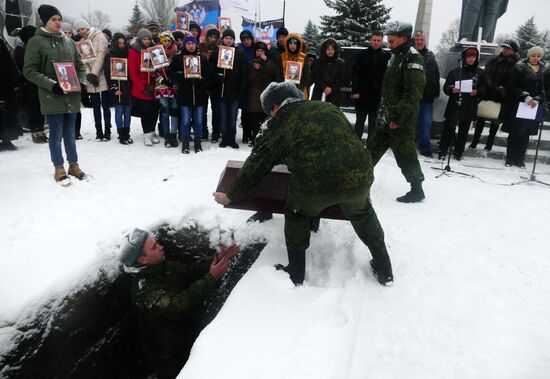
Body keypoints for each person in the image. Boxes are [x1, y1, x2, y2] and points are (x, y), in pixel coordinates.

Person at [213, 81, 394, 287]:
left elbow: (257, 165)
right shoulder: (327, 107)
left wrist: (231, 195)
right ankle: (384, 268)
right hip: (360, 175)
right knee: (363, 214)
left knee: (297, 212)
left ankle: (295, 273)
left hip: (315, 184)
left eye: (269, 112)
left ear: (275, 107)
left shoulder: (279, 122)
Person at [118, 228, 240, 379]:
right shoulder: (146, 293)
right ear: (142, 260)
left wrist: (218, 256)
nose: (161, 246)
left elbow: (190, 271)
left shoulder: (160, 267)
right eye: (155, 247)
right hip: (168, 355)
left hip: (184, 335)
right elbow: (181, 304)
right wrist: (212, 277)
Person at [23, 4, 87, 185]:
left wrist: (81, 82)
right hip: (53, 97)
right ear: (45, 21)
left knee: (70, 135)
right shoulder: (36, 42)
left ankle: (73, 165)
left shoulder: (69, 42)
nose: (58, 23)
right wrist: (52, 85)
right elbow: (29, 70)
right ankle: (59, 168)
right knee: (56, 135)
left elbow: (80, 66)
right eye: (54, 19)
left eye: (59, 19)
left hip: (71, 97)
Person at [366, 21, 426, 203]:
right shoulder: (395, 57)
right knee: (369, 153)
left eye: (392, 41)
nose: (388, 44)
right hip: (386, 119)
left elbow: (412, 94)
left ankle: (417, 190)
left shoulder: (412, 59)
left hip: (400, 122)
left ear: (403, 39)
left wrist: (398, 117)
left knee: (406, 155)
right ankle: (355, 183)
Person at [502, 46, 550, 167]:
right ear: (529, 56)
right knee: (514, 133)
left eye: (538, 56)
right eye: (533, 56)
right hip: (519, 104)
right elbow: (511, 86)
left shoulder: (544, 70)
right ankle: (510, 158)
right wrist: (525, 96)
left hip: (533, 106)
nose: (536, 58)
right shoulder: (518, 68)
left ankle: (519, 159)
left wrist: (539, 99)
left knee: (525, 134)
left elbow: (547, 89)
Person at [470, 39, 520, 151]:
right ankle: (475, 141)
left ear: (514, 51)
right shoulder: (493, 61)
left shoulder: (517, 65)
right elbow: (484, 75)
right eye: (504, 48)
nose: (505, 50)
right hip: (487, 94)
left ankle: (489, 143)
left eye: (509, 48)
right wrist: (487, 85)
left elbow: (514, 82)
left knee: (495, 122)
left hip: (501, 97)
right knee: (481, 118)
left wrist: (502, 89)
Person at [438, 47, 482, 161]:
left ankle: (459, 153)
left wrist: (478, 91)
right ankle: (442, 151)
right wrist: (452, 89)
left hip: (469, 105)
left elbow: (486, 88)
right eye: (468, 57)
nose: (471, 59)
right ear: (464, 58)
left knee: (464, 130)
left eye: (473, 57)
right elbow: (446, 87)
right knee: (449, 129)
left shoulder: (480, 73)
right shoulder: (455, 72)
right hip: (455, 105)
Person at [170, 35, 210, 153]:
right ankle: (185, 142)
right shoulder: (178, 58)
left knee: (198, 120)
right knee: (186, 120)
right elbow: (171, 72)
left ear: (196, 44)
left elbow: (209, 74)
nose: (191, 46)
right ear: (184, 45)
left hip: (199, 95)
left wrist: (201, 80)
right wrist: (182, 75)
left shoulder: (202, 58)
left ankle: (197, 142)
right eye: (188, 44)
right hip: (185, 94)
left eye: (192, 43)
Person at [74, 18, 112, 141]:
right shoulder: (81, 42)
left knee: (105, 105)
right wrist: (89, 75)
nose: (81, 31)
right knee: (95, 106)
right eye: (78, 30)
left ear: (87, 27)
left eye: (83, 28)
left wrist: (94, 73)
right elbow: (83, 61)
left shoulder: (99, 37)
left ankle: (107, 131)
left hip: (101, 75)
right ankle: (98, 131)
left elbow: (101, 55)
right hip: (91, 76)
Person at [209, 28, 248, 149]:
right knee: (223, 115)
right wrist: (217, 77)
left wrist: (241, 89)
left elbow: (244, 74)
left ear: (234, 40)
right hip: (221, 90)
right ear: (223, 39)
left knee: (232, 116)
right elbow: (211, 70)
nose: (228, 40)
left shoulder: (240, 54)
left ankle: (232, 138)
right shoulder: (217, 52)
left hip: (234, 91)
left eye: (231, 38)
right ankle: (225, 138)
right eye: (226, 38)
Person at [351, 31, 391, 140]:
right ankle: (356, 144)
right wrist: (355, 91)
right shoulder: (362, 55)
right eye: (374, 40)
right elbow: (355, 74)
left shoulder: (387, 56)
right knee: (360, 121)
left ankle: (370, 147)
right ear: (370, 40)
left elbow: (388, 77)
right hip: (362, 94)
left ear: (382, 41)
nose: (376, 43)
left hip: (377, 95)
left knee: (373, 124)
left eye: (378, 40)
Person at [14, 25, 47, 145]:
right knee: (33, 108)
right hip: (28, 83)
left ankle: (41, 131)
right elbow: (22, 65)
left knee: (40, 107)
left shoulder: (34, 46)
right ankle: (35, 131)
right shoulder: (21, 49)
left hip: (37, 81)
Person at [128, 28, 160, 146]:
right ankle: (146, 133)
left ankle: (152, 131)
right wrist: (143, 88)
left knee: (154, 111)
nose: (146, 41)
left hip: (153, 86)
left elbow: (158, 68)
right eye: (144, 39)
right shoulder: (134, 52)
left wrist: (154, 84)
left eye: (148, 39)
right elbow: (133, 73)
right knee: (145, 111)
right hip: (141, 88)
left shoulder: (154, 50)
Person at [246, 41, 281, 146]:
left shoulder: (270, 63)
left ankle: (264, 138)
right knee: (254, 119)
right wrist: (255, 69)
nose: (260, 53)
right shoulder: (250, 63)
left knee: (265, 119)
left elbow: (275, 75)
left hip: (267, 95)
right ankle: (254, 137)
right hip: (254, 96)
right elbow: (249, 79)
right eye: (257, 51)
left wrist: (265, 63)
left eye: (262, 51)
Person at [414, 31, 440, 157]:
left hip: (427, 97)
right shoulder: (409, 54)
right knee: (410, 123)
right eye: (417, 39)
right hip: (412, 96)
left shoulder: (430, 55)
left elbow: (435, 73)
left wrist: (436, 91)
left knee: (426, 123)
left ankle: (424, 147)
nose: (419, 42)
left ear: (425, 41)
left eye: (421, 39)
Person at [155, 31, 179, 148]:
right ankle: (166, 134)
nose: (167, 43)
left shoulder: (177, 53)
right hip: (162, 87)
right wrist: (162, 80)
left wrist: (174, 80)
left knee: (174, 111)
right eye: (165, 41)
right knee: (164, 111)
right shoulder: (157, 54)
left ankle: (174, 134)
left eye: (169, 41)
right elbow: (154, 71)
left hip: (174, 86)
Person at [110, 33, 133, 145]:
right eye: (119, 43)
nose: (121, 45)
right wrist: (114, 88)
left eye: (123, 43)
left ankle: (127, 133)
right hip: (117, 86)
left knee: (127, 111)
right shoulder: (110, 55)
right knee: (119, 112)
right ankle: (121, 134)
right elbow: (107, 73)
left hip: (127, 86)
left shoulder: (128, 54)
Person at [0, 37, 21, 151]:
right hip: (4, 83)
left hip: (4, 84)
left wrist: (15, 80)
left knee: (6, 113)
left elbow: (8, 62)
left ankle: (6, 139)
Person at [200, 27, 221, 142]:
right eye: (211, 37)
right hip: (203, 83)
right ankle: (203, 131)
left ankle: (216, 133)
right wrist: (206, 57)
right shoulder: (201, 47)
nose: (212, 39)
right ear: (207, 37)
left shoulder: (219, 49)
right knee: (202, 110)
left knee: (216, 110)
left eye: (215, 37)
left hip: (215, 83)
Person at [311, 38, 345, 107]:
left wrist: (331, 88)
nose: (330, 51)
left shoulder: (340, 63)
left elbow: (342, 78)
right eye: (328, 49)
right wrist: (324, 87)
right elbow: (315, 76)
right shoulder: (318, 62)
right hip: (318, 93)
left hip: (334, 95)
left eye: (332, 49)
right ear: (324, 50)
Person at [238, 29, 257, 144]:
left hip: (254, 84)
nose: (246, 41)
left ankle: (253, 133)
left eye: (248, 39)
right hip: (243, 83)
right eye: (244, 40)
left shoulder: (256, 50)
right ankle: (245, 134)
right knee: (244, 111)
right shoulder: (240, 50)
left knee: (253, 110)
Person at [280, 33, 310, 98]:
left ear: (298, 45)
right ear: (287, 44)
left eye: (295, 44)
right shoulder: (282, 57)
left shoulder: (304, 57)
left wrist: (300, 87)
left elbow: (306, 75)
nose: (292, 46)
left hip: (300, 90)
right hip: (285, 89)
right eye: (290, 43)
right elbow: (279, 73)